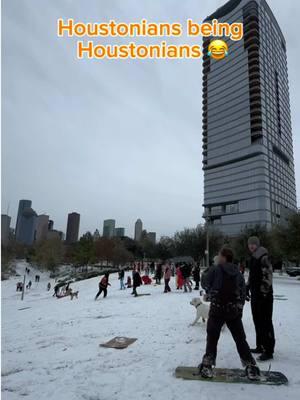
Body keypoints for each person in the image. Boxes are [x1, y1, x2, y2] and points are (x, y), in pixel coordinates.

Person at [199, 247, 260, 380]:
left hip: (217, 308)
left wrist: (212, 268)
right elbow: (243, 292)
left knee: (212, 337)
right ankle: (250, 366)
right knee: (240, 339)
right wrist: (239, 309)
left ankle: (207, 365)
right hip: (233, 310)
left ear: (224, 257)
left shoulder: (216, 269)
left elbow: (204, 282)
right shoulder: (237, 272)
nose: (218, 257)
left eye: (219, 255)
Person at [247, 236, 275, 361]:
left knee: (265, 322)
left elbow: (267, 277)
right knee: (257, 321)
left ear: (257, 245)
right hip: (255, 295)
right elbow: (252, 276)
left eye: (253, 244)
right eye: (250, 244)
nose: (251, 246)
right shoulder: (254, 258)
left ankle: (269, 350)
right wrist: (247, 287)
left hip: (264, 297)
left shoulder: (263, 257)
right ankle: (260, 346)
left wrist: (263, 294)